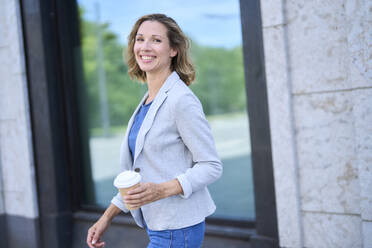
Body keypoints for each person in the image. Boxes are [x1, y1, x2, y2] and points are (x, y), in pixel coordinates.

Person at [86, 13, 222, 248]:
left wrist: (161, 190)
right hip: (158, 226)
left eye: (156, 40)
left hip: (178, 229)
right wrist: (106, 217)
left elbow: (211, 166)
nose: (145, 47)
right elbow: (138, 176)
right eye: (140, 39)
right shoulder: (148, 102)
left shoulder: (181, 100)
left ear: (173, 50)